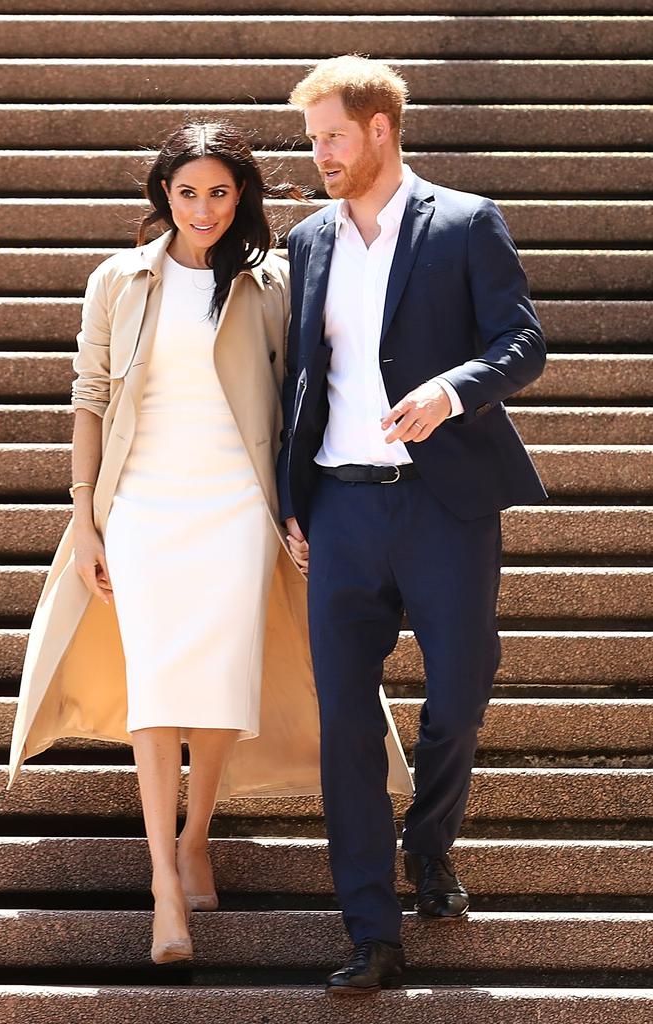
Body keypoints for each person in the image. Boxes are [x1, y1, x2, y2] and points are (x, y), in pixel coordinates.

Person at [7, 121, 414, 967]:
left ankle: (199, 834)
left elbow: (309, 395)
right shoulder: (118, 279)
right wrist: (86, 515)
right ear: (163, 195)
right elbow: (89, 398)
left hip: (236, 503)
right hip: (143, 506)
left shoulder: (273, 282)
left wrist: (305, 507)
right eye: (186, 192)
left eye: (219, 193)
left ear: (242, 198)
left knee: (222, 685)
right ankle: (164, 881)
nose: (202, 208)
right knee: (157, 690)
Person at [278, 56, 547, 995]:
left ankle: (428, 842)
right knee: (343, 723)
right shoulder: (307, 239)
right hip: (342, 507)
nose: (319, 155)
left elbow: (524, 343)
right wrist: (293, 501)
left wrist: (451, 389)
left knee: (462, 691)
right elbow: (296, 381)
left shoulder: (465, 221)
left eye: (332, 137)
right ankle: (371, 931)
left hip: (443, 502)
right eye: (313, 140)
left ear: (380, 129)